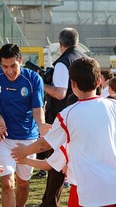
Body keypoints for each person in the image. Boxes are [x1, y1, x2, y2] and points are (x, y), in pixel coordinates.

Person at [12, 57, 116, 207]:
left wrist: (23, 151)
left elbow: (43, 145)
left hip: (92, 195)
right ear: (99, 82)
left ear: (72, 84)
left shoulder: (67, 115)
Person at [0, 43, 45, 207]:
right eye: (5, 66)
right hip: (2, 138)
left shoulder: (33, 79)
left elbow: (37, 109)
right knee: (7, 184)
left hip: (27, 138)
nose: (9, 71)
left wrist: (42, 127)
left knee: (23, 184)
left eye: (13, 66)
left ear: (21, 61)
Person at [34, 28, 87, 207]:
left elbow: (60, 93)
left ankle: (48, 204)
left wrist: (42, 84)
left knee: (56, 165)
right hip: (85, 115)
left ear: (60, 43)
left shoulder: (63, 63)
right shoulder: (86, 59)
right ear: (77, 41)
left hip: (64, 117)